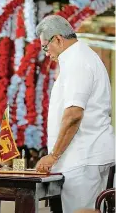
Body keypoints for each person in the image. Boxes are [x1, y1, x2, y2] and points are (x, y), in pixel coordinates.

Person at [35, 15, 115, 213]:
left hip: (84, 159)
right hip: (87, 156)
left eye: (45, 47)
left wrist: (53, 156)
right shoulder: (79, 58)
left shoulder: (77, 62)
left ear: (58, 40)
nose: (46, 54)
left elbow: (73, 115)